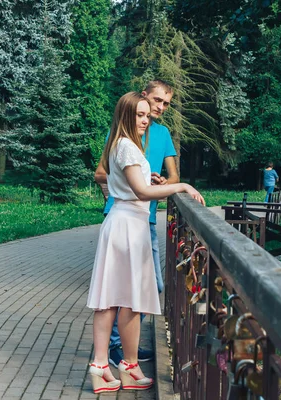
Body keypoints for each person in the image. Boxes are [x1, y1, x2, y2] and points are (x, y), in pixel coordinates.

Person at [87, 92, 204, 394]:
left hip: (130, 225)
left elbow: (132, 184)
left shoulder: (125, 144)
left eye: (146, 115)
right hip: (126, 225)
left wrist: (147, 178)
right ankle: (102, 366)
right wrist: (182, 186)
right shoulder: (126, 145)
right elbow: (140, 193)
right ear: (125, 115)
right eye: (139, 114)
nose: (145, 119)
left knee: (128, 301)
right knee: (112, 299)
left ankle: (128, 366)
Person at [94, 80, 177, 366]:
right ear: (143, 98)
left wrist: (165, 182)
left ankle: (120, 353)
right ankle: (117, 352)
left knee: (144, 287)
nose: (159, 108)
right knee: (120, 291)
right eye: (156, 101)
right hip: (124, 216)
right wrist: (128, 185)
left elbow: (173, 177)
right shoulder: (123, 137)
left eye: (166, 103)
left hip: (146, 218)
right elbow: (101, 173)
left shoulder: (163, 134)